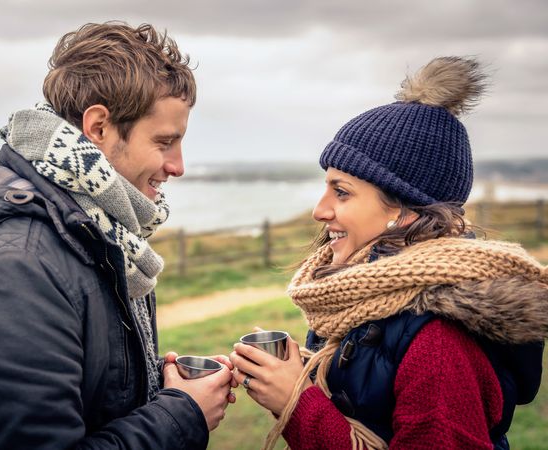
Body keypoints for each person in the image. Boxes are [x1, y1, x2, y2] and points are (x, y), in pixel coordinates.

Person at [0, 22, 234, 449]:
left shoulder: (99, 226)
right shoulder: (13, 270)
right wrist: (182, 413)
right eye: (164, 142)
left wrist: (161, 393)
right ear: (99, 127)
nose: (178, 166)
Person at [230, 56, 548, 449]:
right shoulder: (372, 297)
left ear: (402, 209)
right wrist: (305, 374)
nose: (320, 210)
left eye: (341, 191)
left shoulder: (440, 339)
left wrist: (296, 400)